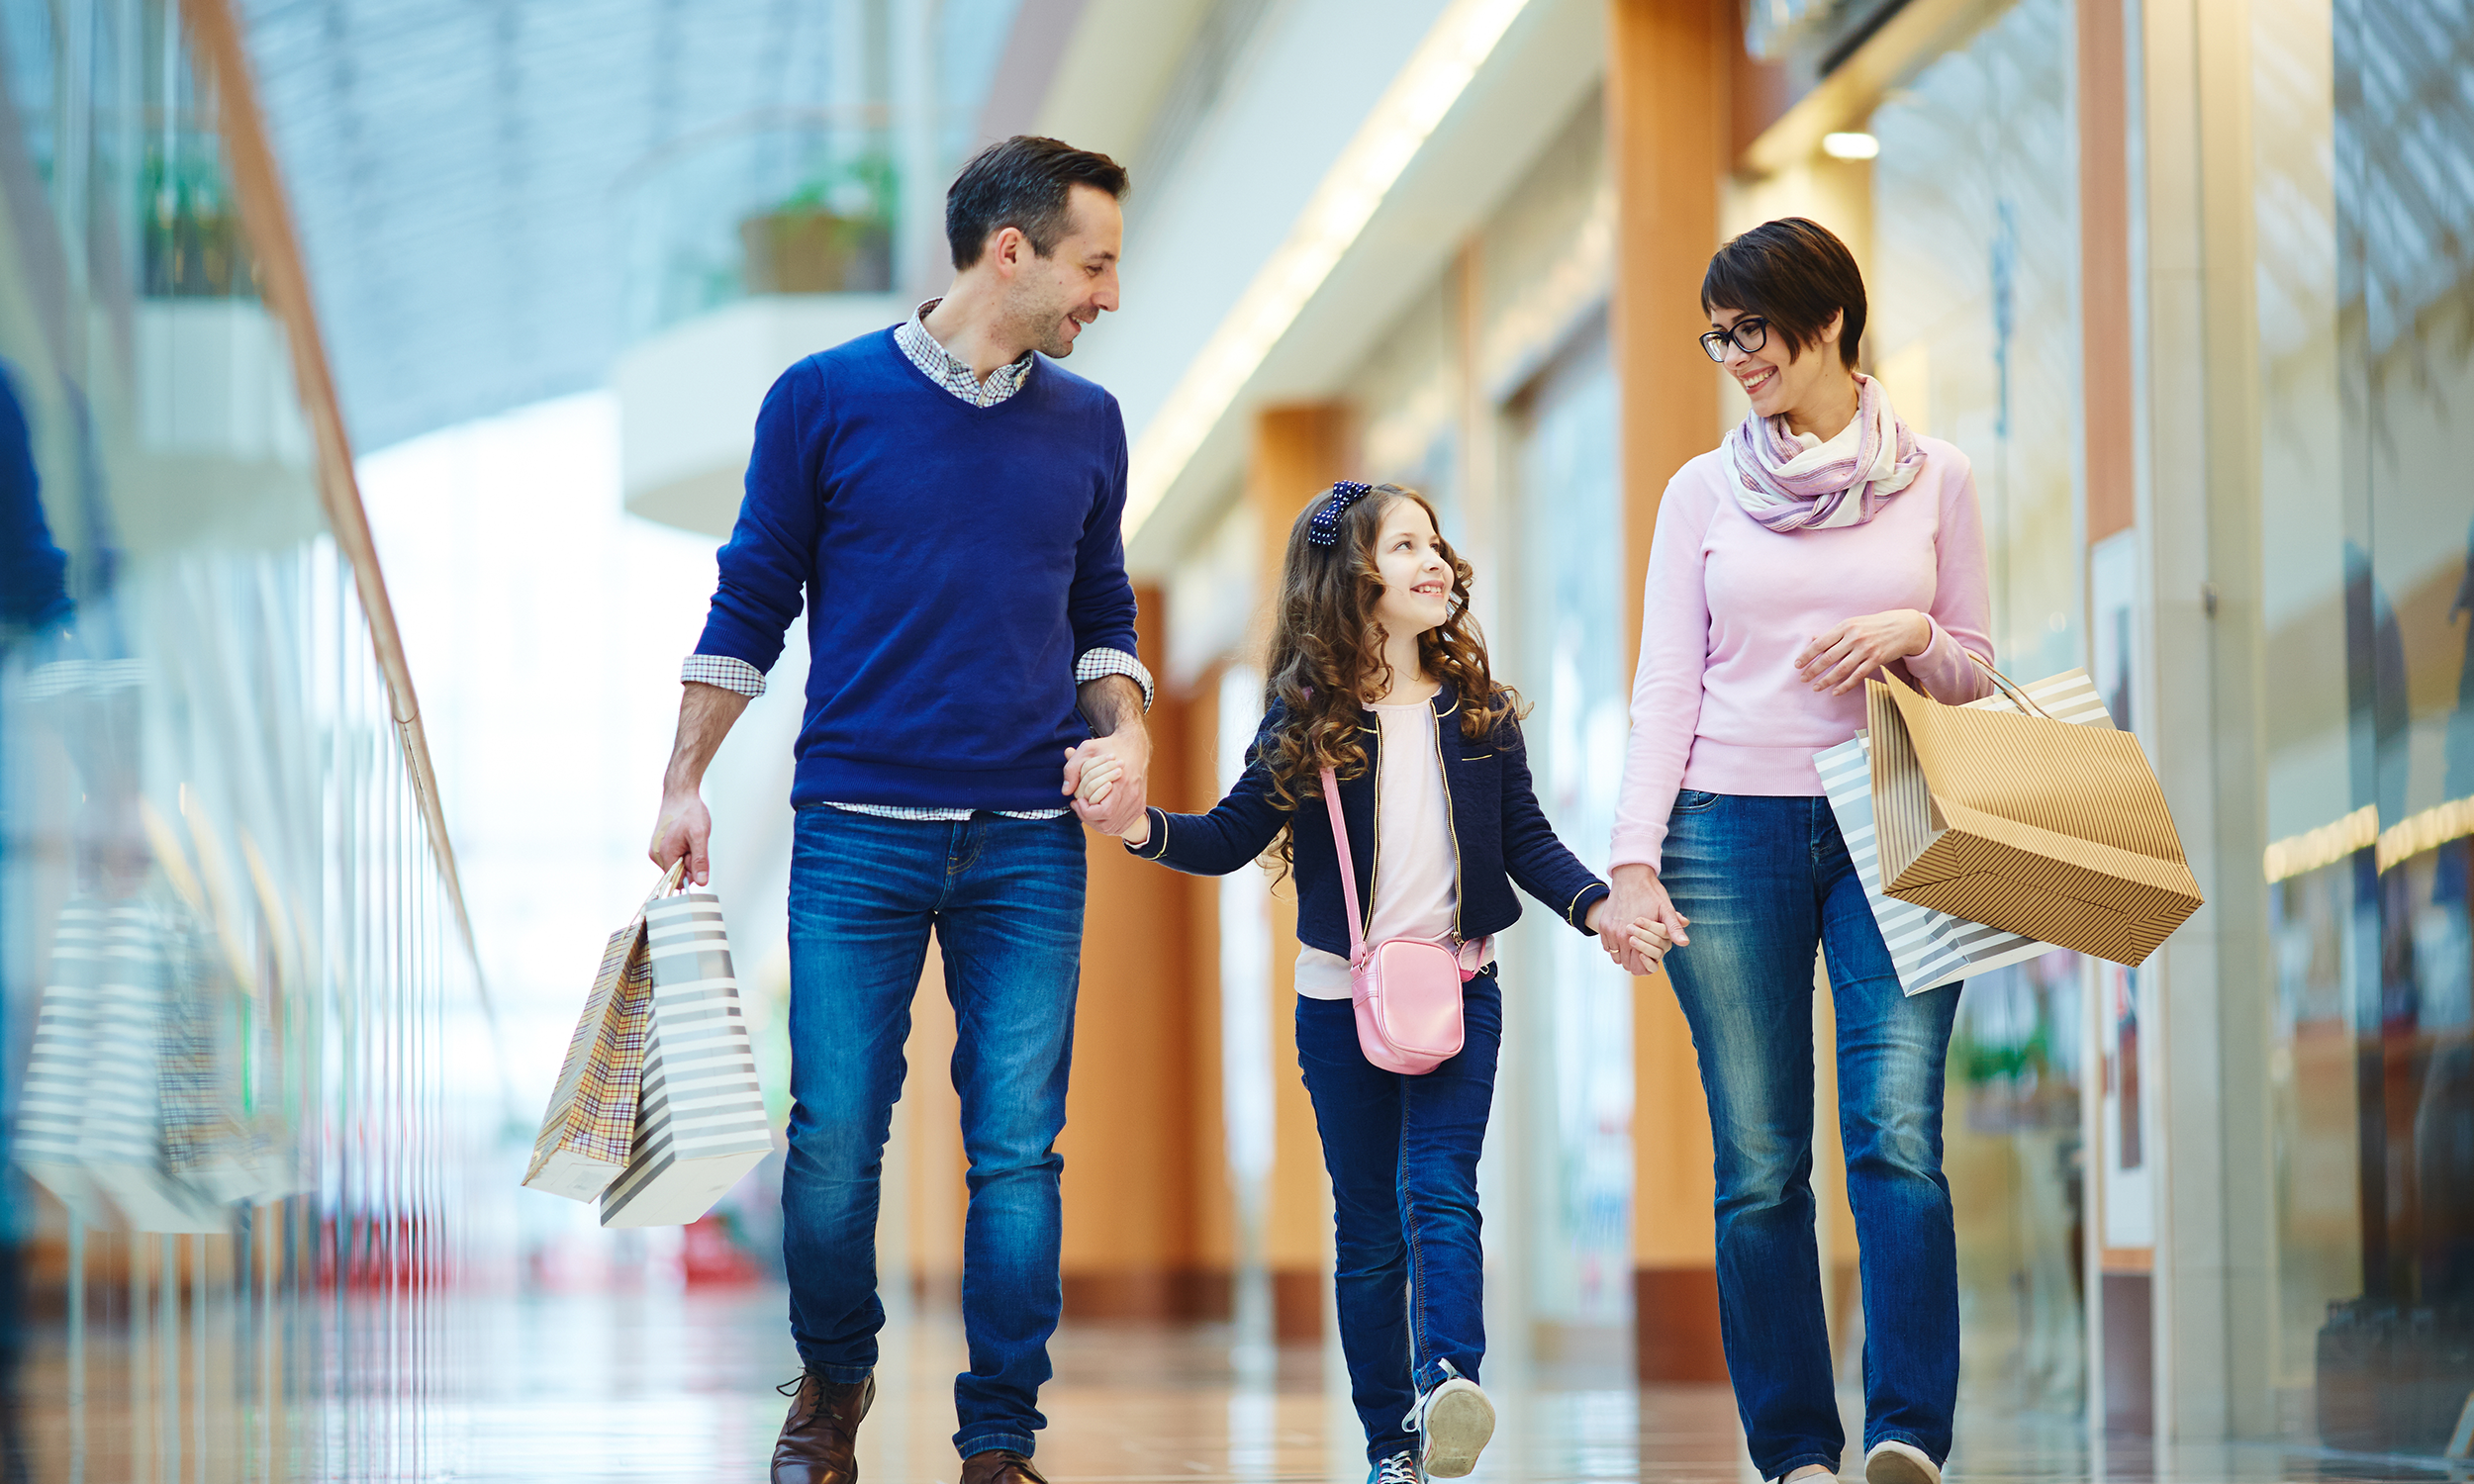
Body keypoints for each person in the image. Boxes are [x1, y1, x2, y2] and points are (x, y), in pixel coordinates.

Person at [647, 136, 1153, 1484]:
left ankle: (1000, 1439)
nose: (1109, 294)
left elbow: (1101, 613)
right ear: (1011, 251)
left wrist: (1129, 730)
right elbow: (751, 601)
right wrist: (683, 781)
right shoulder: (822, 400)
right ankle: (832, 1382)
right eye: (1095, 264)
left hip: (1029, 842)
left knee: (1018, 1155)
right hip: (857, 830)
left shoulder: (1089, 424)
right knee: (831, 1143)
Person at [1102, 481, 1669, 1484]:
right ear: (1352, 576)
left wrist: (1599, 909)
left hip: (1462, 990)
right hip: (1339, 1009)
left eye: (1436, 543)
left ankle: (1448, 1383)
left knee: (1441, 1189)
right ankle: (1388, 1446)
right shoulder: (1305, 719)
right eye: (1406, 545)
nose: (1434, 560)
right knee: (1368, 1229)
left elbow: (1527, 841)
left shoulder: (1480, 714)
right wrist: (1139, 827)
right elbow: (1229, 837)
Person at [1599, 218, 1993, 1484]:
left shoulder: (1937, 477)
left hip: (1899, 813)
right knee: (1761, 1163)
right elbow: (1667, 684)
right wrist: (1632, 858)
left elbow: (1977, 674)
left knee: (1897, 1137)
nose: (1734, 357)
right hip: (1726, 828)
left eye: (1750, 330)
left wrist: (1911, 633)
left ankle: (1905, 1436)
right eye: (1716, 338)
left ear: (1826, 320)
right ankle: (1793, 1452)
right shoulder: (1701, 493)